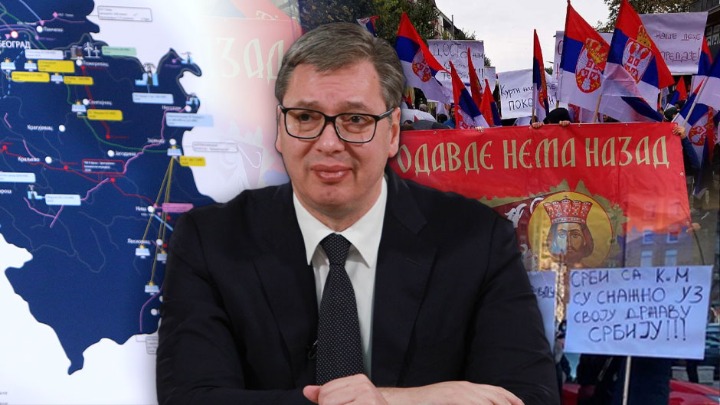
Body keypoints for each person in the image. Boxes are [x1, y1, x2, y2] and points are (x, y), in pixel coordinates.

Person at [156, 22, 558, 405]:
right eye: (306, 117)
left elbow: (529, 396)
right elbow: (191, 398)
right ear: (280, 126)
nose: (329, 143)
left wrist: (387, 399)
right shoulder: (211, 242)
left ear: (393, 132)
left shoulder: (477, 241)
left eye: (355, 120)